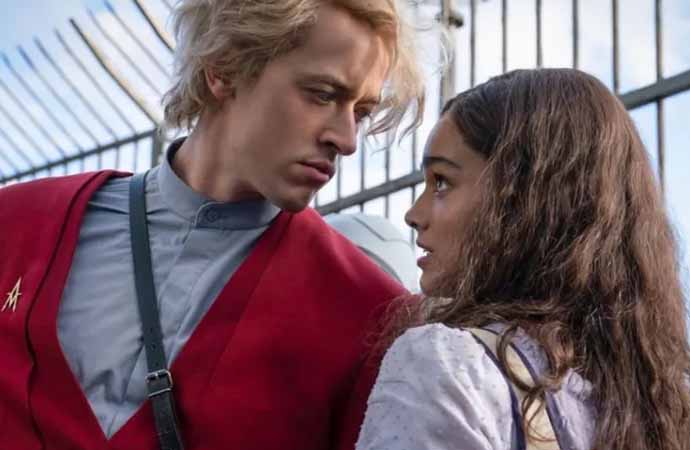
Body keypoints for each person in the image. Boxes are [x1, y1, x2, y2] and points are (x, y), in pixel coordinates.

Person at [0, 1, 424, 449]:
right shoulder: (18, 223)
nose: (347, 139)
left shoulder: (372, 316)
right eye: (321, 94)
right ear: (222, 68)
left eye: (361, 112)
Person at [355, 69, 690, 450]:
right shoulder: (664, 407)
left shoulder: (449, 366)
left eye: (442, 182)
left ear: (521, 202)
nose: (413, 214)